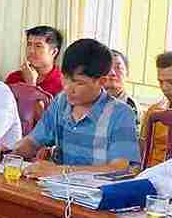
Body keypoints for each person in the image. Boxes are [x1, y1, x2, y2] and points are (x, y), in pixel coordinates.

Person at [10, 39, 141, 168]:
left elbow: (119, 169)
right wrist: (9, 151)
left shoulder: (121, 114)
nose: (67, 88)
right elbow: (32, 141)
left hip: (97, 189)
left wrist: (60, 172)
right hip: (57, 186)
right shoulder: (61, 102)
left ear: (102, 81)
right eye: (65, 78)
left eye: (79, 83)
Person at [6, 26, 64, 97]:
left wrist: (31, 85)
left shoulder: (62, 84)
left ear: (54, 52)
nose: (31, 51)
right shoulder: (14, 78)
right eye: (29, 44)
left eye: (38, 46)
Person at [105, 49, 138, 114]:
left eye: (118, 68)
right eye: (108, 68)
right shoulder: (88, 101)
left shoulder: (132, 107)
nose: (112, 73)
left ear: (127, 73)